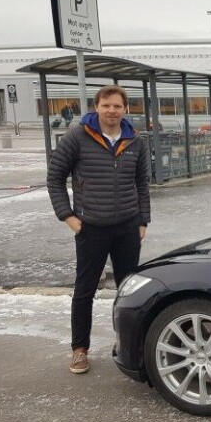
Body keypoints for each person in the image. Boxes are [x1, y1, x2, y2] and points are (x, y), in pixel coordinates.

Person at [47, 85, 151, 375]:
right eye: (106, 105)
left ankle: (129, 344)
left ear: (125, 109)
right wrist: (68, 217)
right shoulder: (77, 137)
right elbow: (55, 179)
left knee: (129, 291)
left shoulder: (135, 140)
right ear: (96, 107)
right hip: (90, 227)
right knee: (84, 291)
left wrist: (143, 220)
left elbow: (142, 184)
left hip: (128, 227)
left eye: (117, 106)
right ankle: (80, 349)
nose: (111, 111)